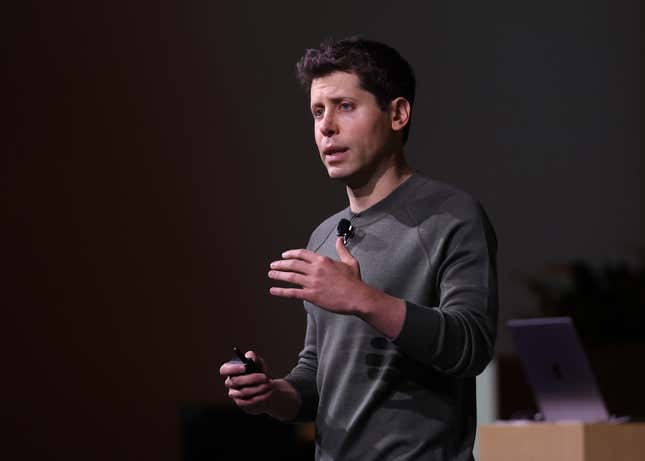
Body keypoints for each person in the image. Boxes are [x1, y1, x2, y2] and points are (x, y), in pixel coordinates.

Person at [219, 36, 498, 461]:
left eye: (345, 106)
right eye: (317, 111)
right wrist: (275, 395)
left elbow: (470, 345)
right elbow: (319, 377)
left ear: (398, 113)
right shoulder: (324, 236)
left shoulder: (451, 215)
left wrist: (362, 298)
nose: (326, 127)